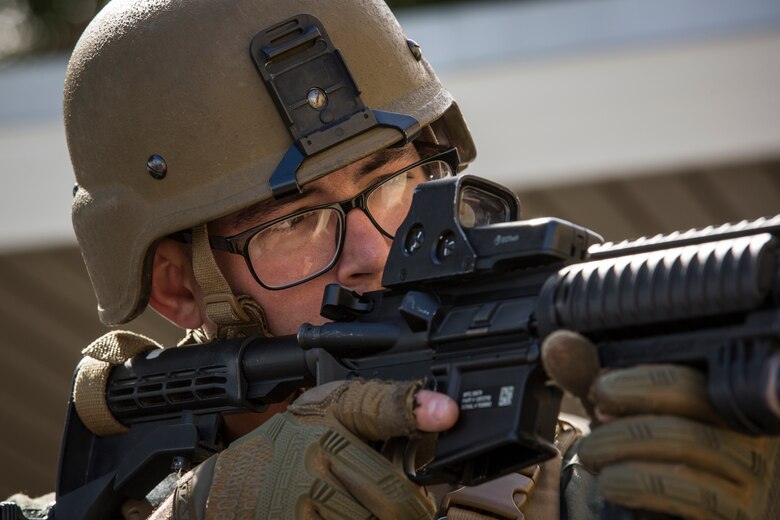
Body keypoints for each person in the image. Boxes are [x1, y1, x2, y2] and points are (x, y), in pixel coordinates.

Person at [57, 0, 778, 518]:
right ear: (179, 287)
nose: (376, 250)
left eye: (394, 180)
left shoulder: (590, 486)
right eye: (299, 221)